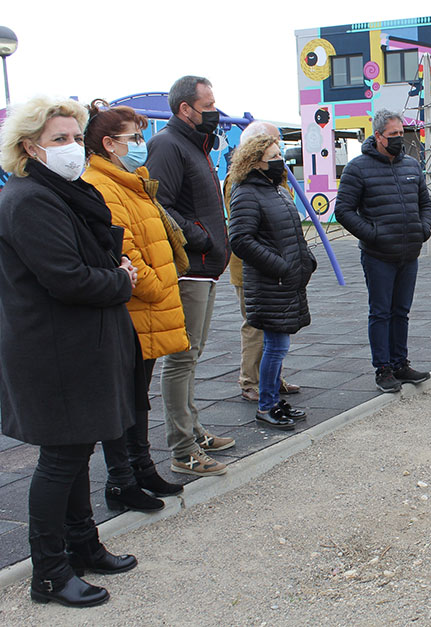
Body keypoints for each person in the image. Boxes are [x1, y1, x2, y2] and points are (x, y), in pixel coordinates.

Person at [0, 96, 138, 607]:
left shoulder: (63, 193)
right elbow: (67, 278)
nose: (72, 148)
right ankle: (50, 572)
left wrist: (111, 272)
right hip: (53, 349)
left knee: (79, 449)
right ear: (29, 147)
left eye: (75, 137)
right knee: (61, 458)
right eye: (59, 139)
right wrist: (121, 279)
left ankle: (83, 544)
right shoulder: (30, 198)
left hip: (75, 343)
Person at [82, 100, 189, 511]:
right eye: (135, 137)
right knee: (125, 397)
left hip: (147, 304)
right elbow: (124, 251)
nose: (142, 144)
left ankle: (140, 468)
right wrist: (161, 286)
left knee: (136, 396)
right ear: (109, 144)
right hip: (136, 305)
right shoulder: (104, 185)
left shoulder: (129, 180)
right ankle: (121, 479)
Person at [146, 75, 233, 476]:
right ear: (185, 109)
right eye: (208, 105)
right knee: (182, 358)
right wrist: (200, 238)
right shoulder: (168, 145)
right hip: (191, 268)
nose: (214, 112)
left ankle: (193, 430)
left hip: (206, 266)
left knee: (192, 356)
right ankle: (182, 449)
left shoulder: (194, 145)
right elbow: (159, 205)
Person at [335, 110, 431, 393]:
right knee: (381, 312)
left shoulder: (412, 166)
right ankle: (384, 369)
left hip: (408, 253)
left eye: (402, 134)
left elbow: (424, 203)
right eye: (393, 135)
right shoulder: (358, 168)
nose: (399, 139)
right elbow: (343, 210)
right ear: (378, 136)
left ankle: (400, 363)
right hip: (378, 255)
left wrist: (422, 229)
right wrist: (373, 234)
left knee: (401, 311)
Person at [228, 135, 314, 430]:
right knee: (275, 345)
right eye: (274, 156)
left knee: (278, 345)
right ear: (256, 162)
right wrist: (279, 266)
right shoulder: (247, 193)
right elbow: (240, 239)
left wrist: (306, 260)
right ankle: (266, 404)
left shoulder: (275, 190)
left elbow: (292, 233)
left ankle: (272, 401)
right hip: (270, 282)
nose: (282, 161)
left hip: (284, 280)